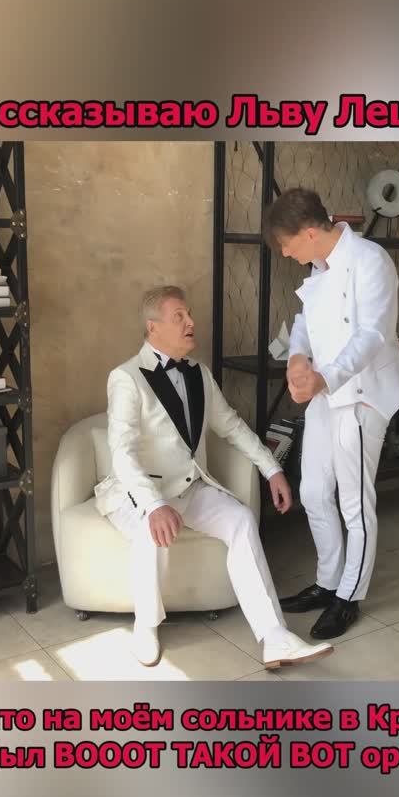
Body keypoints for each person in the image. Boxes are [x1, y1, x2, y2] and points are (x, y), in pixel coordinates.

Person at [94, 284, 334, 669]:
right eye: (179, 316)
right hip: (138, 492)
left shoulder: (199, 373)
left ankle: (275, 637)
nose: (191, 322)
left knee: (241, 520)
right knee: (150, 533)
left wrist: (271, 469)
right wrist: (154, 505)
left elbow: (232, 426)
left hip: (190, 487)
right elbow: (122, 451)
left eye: (189, 314)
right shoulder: (126, 377)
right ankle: (146, 626)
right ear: (153, 327)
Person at [262, 188, 399, 639]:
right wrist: (297, 358)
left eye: (286, 243)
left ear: (309, 232)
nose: (285, 253)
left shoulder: (370, 260)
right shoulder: (320, 265)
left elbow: (372, 336)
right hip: (327, 393)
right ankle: (328, 583)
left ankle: (349, 596)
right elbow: (304, 321)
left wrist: (324, 378)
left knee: (354, 503)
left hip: (363, 394)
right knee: (312, 491)